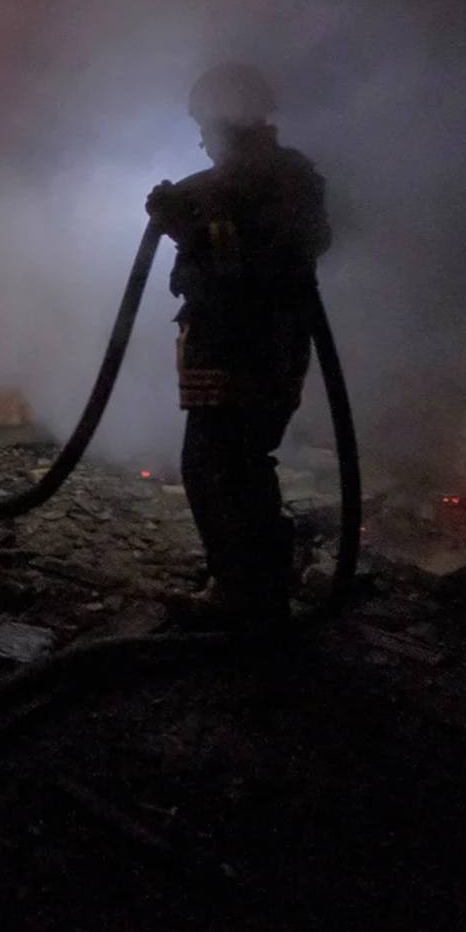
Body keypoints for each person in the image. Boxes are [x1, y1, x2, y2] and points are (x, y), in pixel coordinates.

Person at [145, 63, 331, 633]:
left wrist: (190, 229)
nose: (201, 136)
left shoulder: (258, 184)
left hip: (244, 348)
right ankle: (253, 585)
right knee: (237, 464)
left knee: (221, 465)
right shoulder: (272, 178)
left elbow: (250, 271)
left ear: (230, 120)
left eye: (206, 122)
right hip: (252, 347)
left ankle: (246, 595)